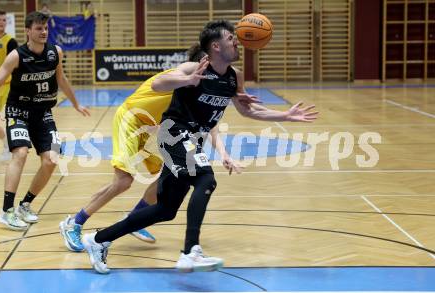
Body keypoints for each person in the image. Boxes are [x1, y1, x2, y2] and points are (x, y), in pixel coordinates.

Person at [82, 19, 318, 274]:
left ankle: (97, 240)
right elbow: (157, 85)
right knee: (206, 178)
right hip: (173, 134)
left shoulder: (233, 76)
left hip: (191, 140)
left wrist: (285, 115)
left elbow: (248, 110)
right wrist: (186, 80)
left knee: (165, 210)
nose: (237, 41)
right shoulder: (194, 67)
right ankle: (190, 251)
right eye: (231, 39)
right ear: (215, 46)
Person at [59, 45, 247, 252]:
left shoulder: (203, 87)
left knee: (169, 174)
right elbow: (159, 85)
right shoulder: (180, 78)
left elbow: (210, 124)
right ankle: (74, 223)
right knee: (123, 181)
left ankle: (134, 219)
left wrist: (223, 153)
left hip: (153, 129)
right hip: (131, 120)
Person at [0, 11, 90, 230]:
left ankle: (25, 205)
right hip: (18, 111)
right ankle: (6, 211)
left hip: (44, 113)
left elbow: (61, 78)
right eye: (38, 28)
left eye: (45, 28)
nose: (43, 32)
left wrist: (76, 103)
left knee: (52, 160)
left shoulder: (55, 52)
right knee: (20, 153)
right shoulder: (16, 56)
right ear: (28, 31)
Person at [0, 10, 18, 162]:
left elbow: (16, 66)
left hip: (6, 85)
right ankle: (7, 145)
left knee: (4, 120)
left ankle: (10, 147)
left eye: (4, 20)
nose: (2, 22)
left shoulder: (10, 42)